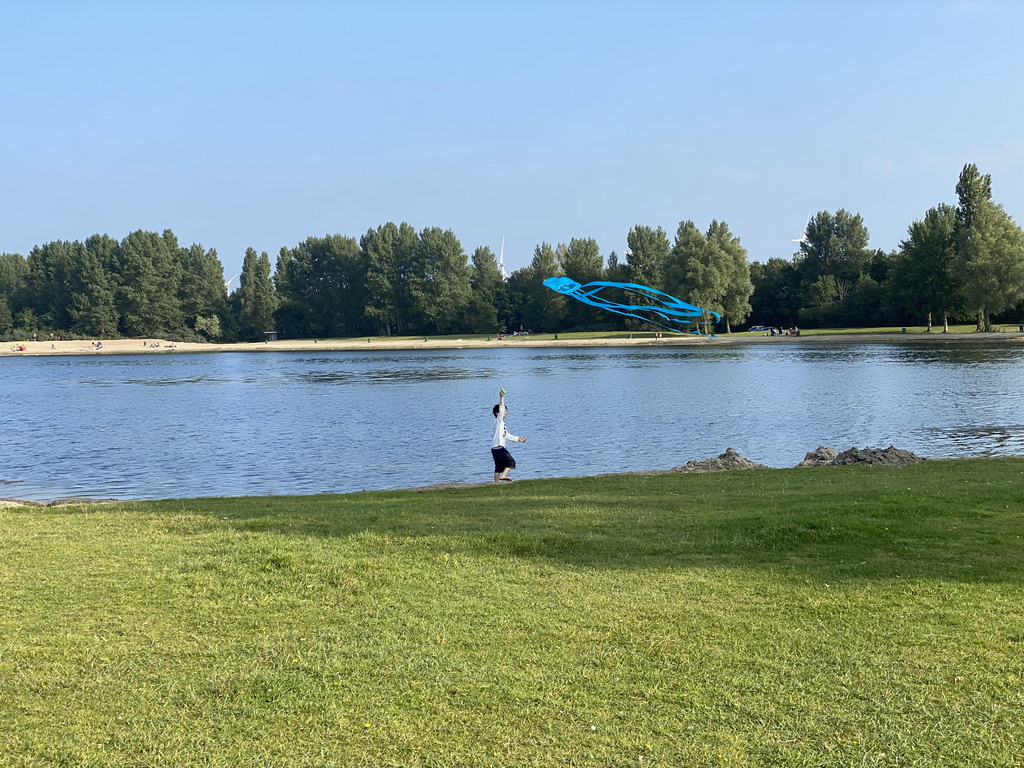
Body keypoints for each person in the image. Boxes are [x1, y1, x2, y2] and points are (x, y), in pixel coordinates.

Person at [491, 388, 526, 482]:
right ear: (497, 413)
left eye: (506, 411)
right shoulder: (498, 421)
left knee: (498, 466)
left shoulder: (500, 424)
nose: (506, 412)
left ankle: (496, 483)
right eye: (504, 411)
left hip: (494, 448)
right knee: (511, 462)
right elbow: (501, 409)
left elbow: (506, 435)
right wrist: (501, 397)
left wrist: (518, 438)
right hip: (499, 447)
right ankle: (503, 476)